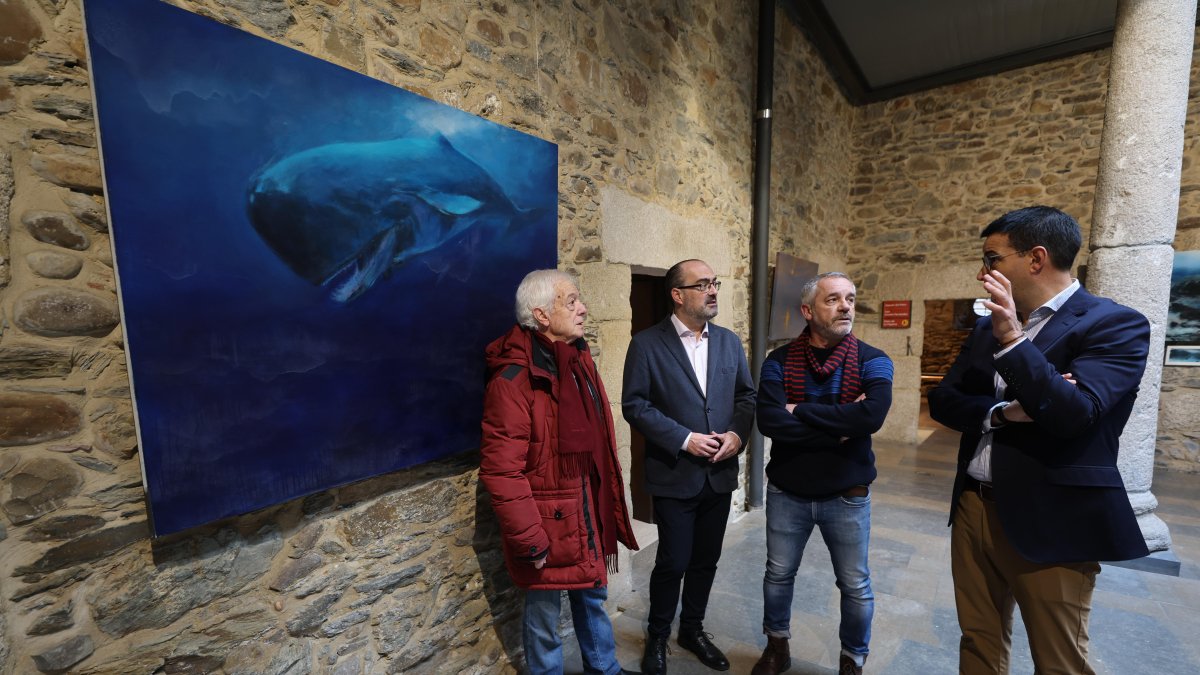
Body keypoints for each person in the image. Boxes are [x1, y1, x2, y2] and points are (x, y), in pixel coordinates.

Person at [928, 206, 1151, 675]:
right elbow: (945, 400)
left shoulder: (1113, 324)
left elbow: (1072, 415)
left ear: (1036, 259)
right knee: (979, 641)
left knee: (1058, 659)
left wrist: (1014, 341)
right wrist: (1003, 413)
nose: (981, 271)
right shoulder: (986, 326)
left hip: (1052, 515)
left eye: (992, 258)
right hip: (974, 506)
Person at [480, 269, 639, 675]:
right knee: (543, 621)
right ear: (542, 315)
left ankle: (606, 670)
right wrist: (531, 540)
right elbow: (502, 471)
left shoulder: (577, 360)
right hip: (547, 524)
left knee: (593, 601)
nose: (583, 308)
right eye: (572, 301)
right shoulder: (513, 379)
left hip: (586, 513)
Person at [750, 272, 893, 675]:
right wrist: (842, 426)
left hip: (847, 493)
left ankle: (853, 660)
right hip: (787, 490)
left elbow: (872, 415)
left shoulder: (874, 360)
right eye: (833, 299)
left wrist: (800, 410)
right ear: (808, 311)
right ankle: (777, 647)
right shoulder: (778, 362)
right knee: (778, 575)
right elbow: (769, 422)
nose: (846, 306)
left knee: (855, 584)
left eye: (850, 298)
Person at [622, 259, 756, 674]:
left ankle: (692, 629)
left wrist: (736, 436)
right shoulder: (646, 344)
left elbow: (746, 398)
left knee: (705, 560)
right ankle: (658, 635)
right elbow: (635, 405)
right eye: (703, 285)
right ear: (678, 295)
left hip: (718, 474)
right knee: (674, 561)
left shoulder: (730, 343)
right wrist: (685, 439)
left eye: (715, 283)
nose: (713, 290)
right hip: (674, 473)